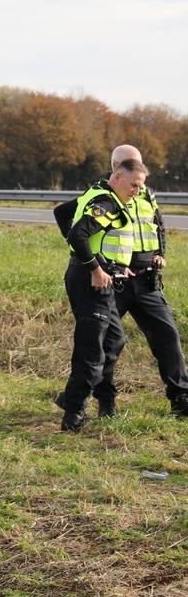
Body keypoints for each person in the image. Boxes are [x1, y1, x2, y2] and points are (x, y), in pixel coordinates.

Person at [55, 159, 144, 431]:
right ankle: (74, 414)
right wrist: (94, 268)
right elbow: (78, 235)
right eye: (134, 185)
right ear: (117, 177)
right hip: (90, 282)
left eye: (140, 187)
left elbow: (62, 213)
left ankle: (71, 396)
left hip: (99, 277)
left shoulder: (98, 194)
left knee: (114, 341)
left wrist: (113, 266)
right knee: (91, 350)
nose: (137, 191)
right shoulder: (106, 203)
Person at [100, 146, 188, 417]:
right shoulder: (103, 193)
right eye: (130, 164)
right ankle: (106, 403)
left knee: (168, 336)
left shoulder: (146, 193)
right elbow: (84, 234)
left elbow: (158, 225)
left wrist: (160, 254)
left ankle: (181, 398)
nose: (137, 173)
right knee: (108, 343)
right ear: (116, 167)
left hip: (147, 280)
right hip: (116, 281)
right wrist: (104, 266)